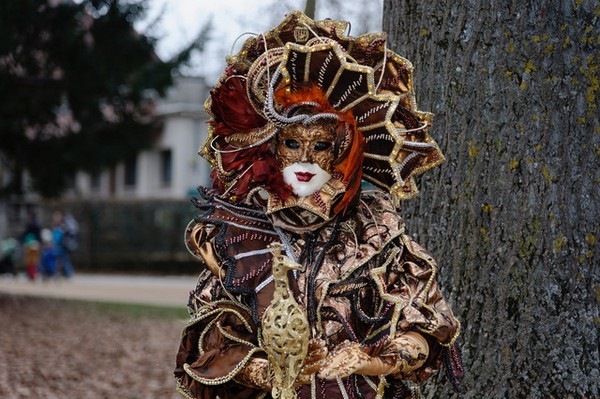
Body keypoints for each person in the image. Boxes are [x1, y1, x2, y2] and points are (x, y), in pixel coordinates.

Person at [175, 11, 463, 399]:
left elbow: (426, 330)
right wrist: (266, 372)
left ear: (342, 148)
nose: (305, 158)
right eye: (293, 143)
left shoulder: (376, 232)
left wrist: (368, 358)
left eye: (321, 145)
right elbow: (208, 335)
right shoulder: (240, 231)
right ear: (273, 147)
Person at [51, 210, 75, 278]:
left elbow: (65, 235)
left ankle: (69, 272)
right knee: (57, 260)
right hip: (56, 245)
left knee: (64, 259)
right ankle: (58, 272)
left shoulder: (63, 225)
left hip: (62, 245)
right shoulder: (54, 225)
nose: (56, 218)